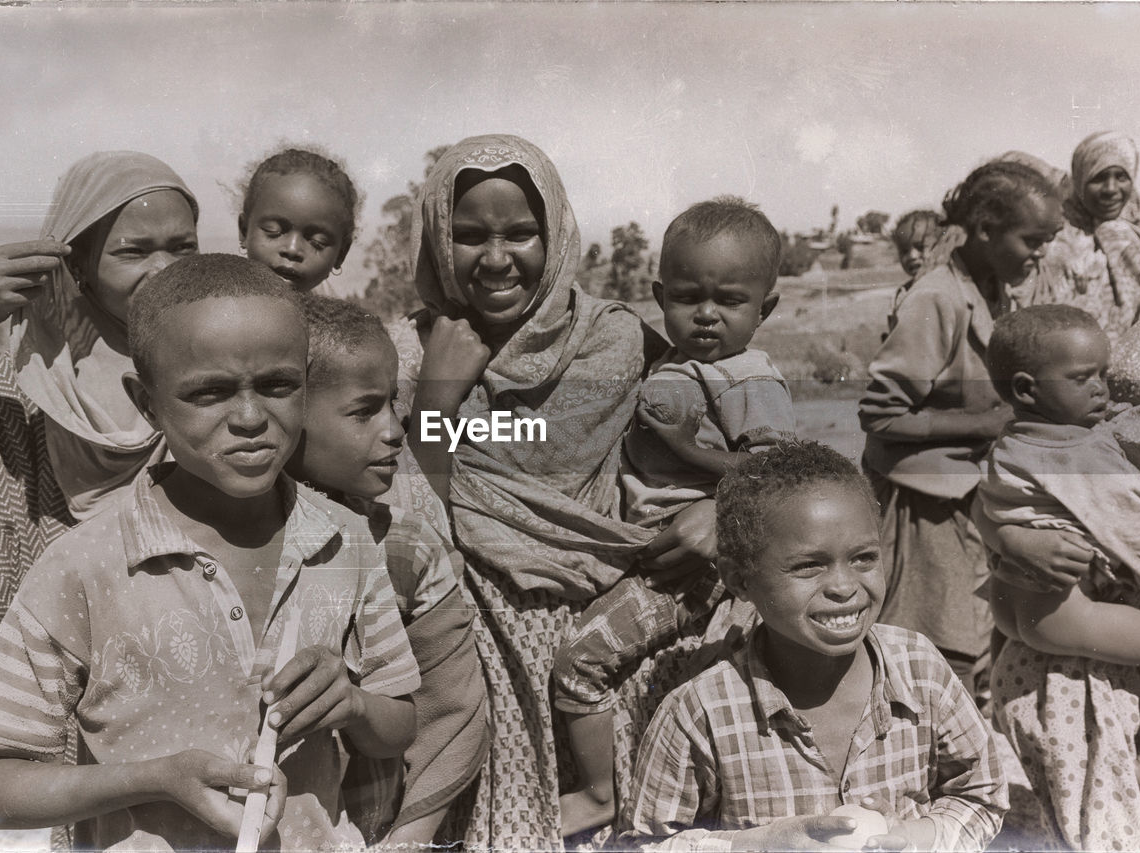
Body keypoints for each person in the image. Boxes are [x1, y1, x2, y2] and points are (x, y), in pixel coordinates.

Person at [0, 255, 419, 849]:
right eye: (209, 393)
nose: (250, 418)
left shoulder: (344, 541)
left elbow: (398, 724)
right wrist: (153, 781)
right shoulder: (84, 566)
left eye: (278, 385)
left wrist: (351, 703)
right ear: (147, 405)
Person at [384, 134, 714, 848]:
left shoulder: (613, 342)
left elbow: (541, 463)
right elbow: (398, 507)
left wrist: (434, 409)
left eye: (519, 232)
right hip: (466, 649)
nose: (495, 257)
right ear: (440, 238)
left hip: (601, 645)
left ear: (555, 231)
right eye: (468, 235)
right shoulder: (407, 349)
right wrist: (440, 386)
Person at [619, 440, 1008, 851]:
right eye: (808, 566)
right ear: (739, 581)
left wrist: (921, 836)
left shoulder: (918, 667)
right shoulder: (701, 712)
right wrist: (759, 844)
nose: (844, 587)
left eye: (863, 558)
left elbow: (982, 793)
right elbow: (644, 844)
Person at [553, 196, 799, 835]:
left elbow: (775, 477)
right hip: (653, 553)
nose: (708, 315)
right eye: (689, 297)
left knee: (579, 660)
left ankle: (599, 794)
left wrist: (687, 448)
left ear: (764, 309)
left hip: (694, 571)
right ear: (660, 295)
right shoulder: (671, 360)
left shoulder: (747, 380)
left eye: (730, 301)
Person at [986, 281, 1140, 850]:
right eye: (1084, 377)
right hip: (1061, 612)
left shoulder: (1017, 440)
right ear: (1026, 388)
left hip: (1010, 607)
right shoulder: (1081, 454)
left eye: (1103, 373)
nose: (1103, 388)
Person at [0, 151, 200, 640]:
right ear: (77, 266)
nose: (163, 269)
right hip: (48, 687)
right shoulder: (15, 398)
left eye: (181, 248)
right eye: (133, 251)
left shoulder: (225, 377)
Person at [282, 293, 488, 845]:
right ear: (287, 412)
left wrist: (409, 838)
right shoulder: (237, 542)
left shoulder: (409, 546)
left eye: (392, 405)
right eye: (363, 410)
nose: (396, 430)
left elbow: (454, 712)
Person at [858, 160, 1065, 697]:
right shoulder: (937, 298)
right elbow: (880, 413)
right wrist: (982, 422)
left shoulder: (993, 291)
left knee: (971, 634)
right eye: (1032, 239)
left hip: (965, 492)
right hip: (922, 499)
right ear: (985, 229)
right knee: (932, 644)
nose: (1040, 253)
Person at [1044, 130, 1140, 339]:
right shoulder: (1053, 239)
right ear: (1080, 181)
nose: (1111, 189)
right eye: (1098, 178)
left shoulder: (1138, 231)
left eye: (1121, 177)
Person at [238, 147, 360, 292]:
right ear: (244, 230)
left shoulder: (336, 312)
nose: (292, 249)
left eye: (317, 242)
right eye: (273, 231)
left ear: (341, 254)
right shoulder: (215, 303)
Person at [884, 209, 942, 335]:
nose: (912, 256)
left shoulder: (947, 290)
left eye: (921, 247)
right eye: (904, 251)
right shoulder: (901, 295)